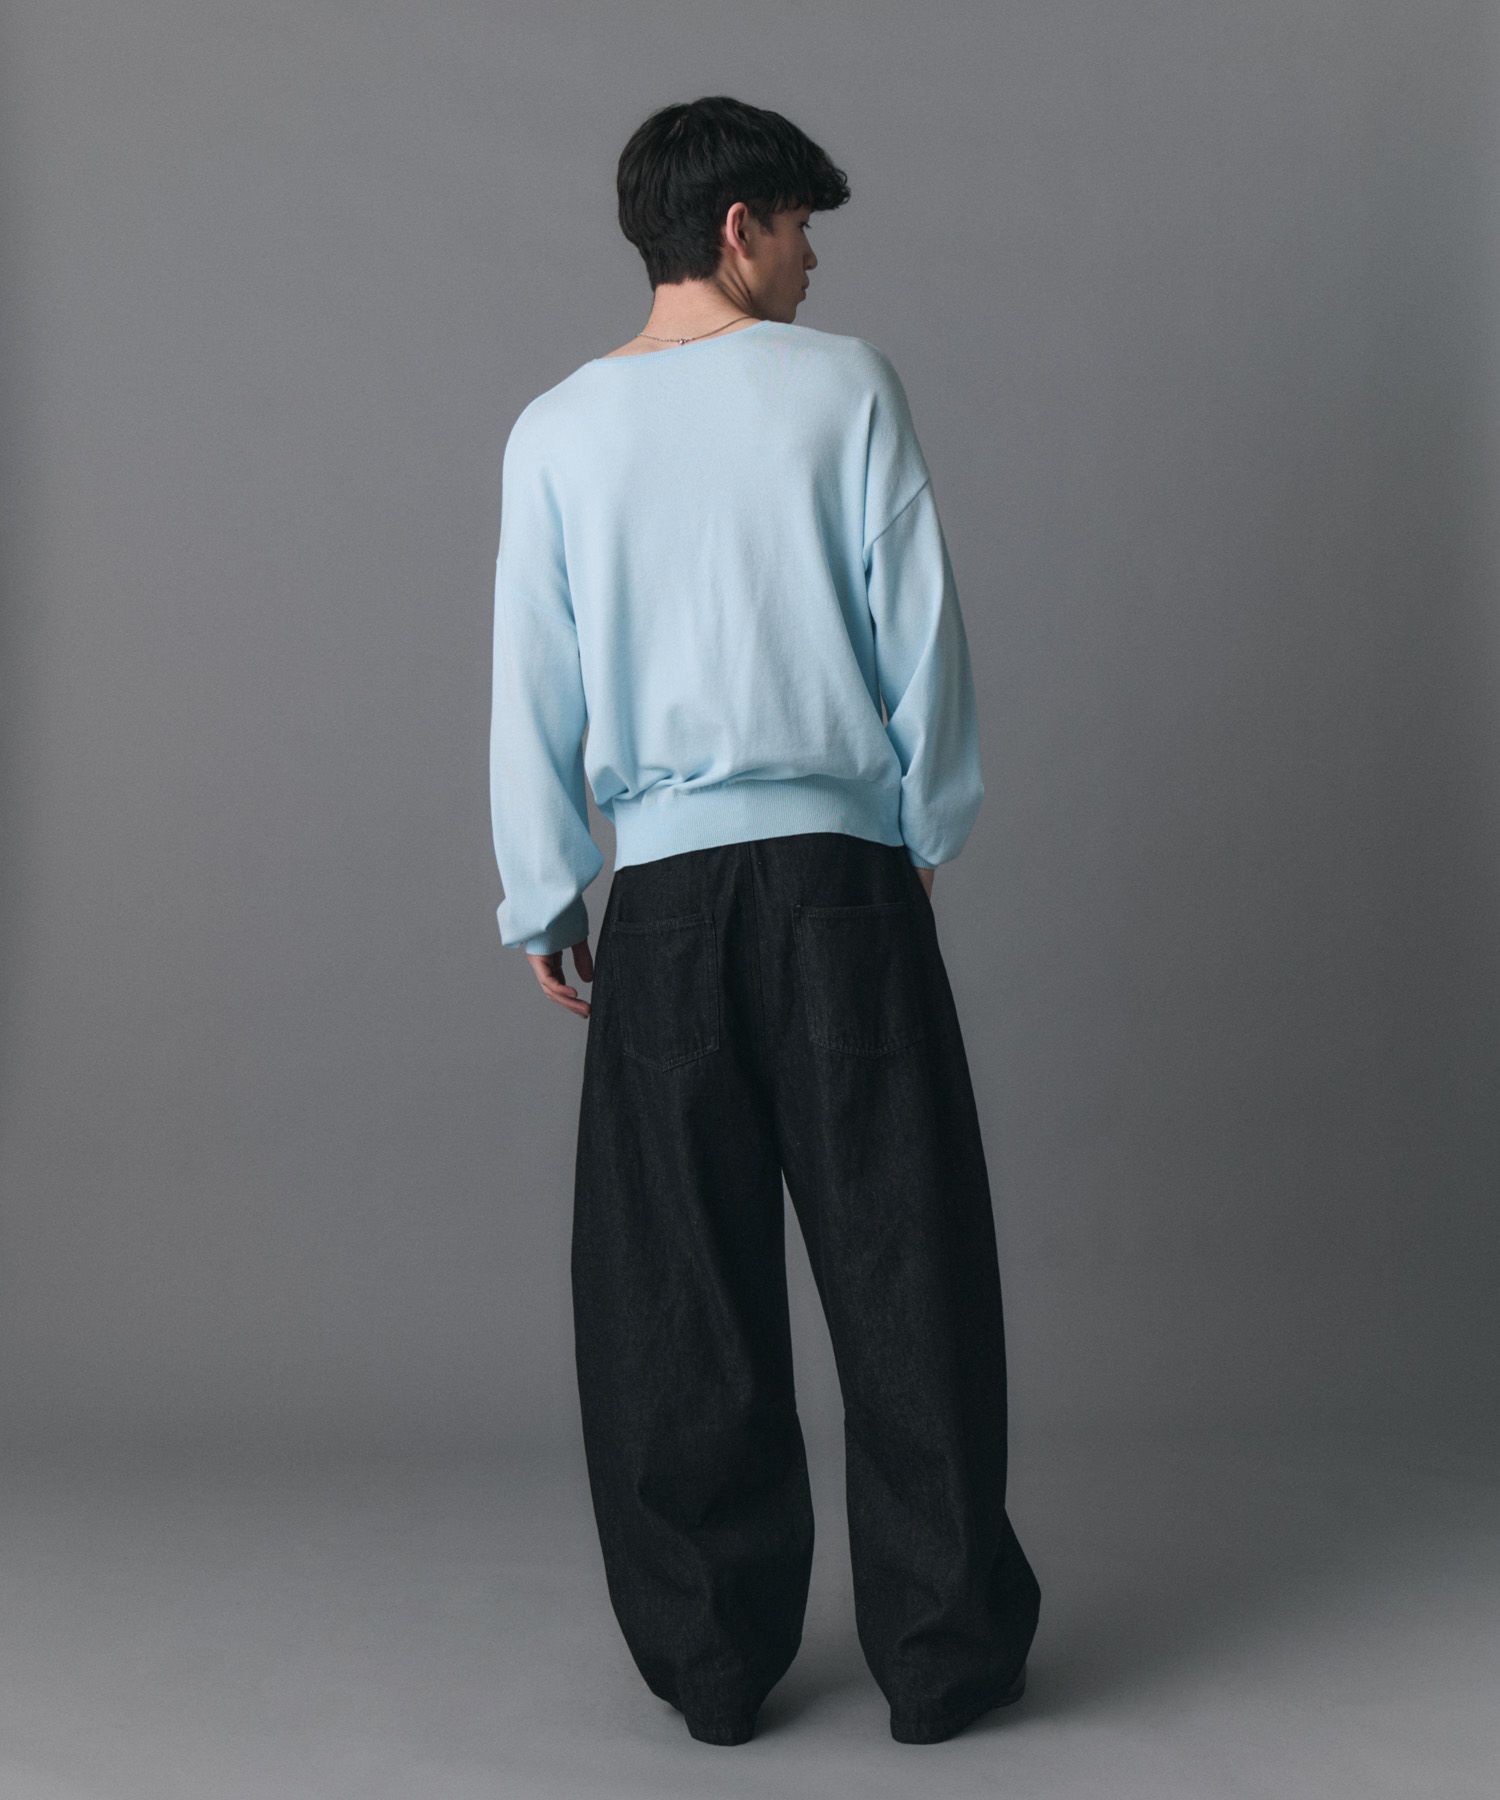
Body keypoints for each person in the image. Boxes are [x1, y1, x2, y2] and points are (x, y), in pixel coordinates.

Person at [488, 94, 1040, 1747]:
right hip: (841, 885)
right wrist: (920, 824)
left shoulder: (555, 431)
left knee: (676, 1289)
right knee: (906, 1263)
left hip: (658, 902)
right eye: (801, 229)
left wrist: (545, 891)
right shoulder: (844, 385)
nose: (812, 263)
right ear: (740, 228)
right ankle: (942, 1658)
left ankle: (713, 1663)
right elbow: (919, 631)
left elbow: (533, 684)